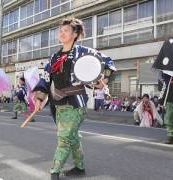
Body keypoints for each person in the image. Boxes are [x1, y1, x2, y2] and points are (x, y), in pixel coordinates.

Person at [32, 18, 115, 180]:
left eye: (66, 31)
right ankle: (79, 167)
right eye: (60, 31)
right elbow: (45, 79)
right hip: (58, 104)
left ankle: (55, 171)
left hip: (75, 103)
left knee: (64, 138)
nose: (62, 33)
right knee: (73, 137)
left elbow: (108, 63)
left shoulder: (84, 52)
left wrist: (103, 81)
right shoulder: (54, 57)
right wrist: (39, 99)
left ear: (75, 34)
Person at [159, 74, 173, 144]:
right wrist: (162, 100)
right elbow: (164, 85)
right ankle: (170, 136)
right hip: (169, 99)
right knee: (169, 119)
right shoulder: (167, 72)